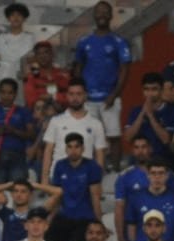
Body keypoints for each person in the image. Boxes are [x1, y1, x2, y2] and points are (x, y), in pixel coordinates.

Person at [72, 2, 131, 169]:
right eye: (99, 12)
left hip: (109, 98)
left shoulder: (118, 41)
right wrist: (80, 93)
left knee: (114, 136)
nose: (102, 15)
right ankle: (91, 169)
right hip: (88, 99)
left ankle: (115, 171)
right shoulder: (84, 41)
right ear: (94, 15)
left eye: (106, 12)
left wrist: (115, 93)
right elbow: (78, 67)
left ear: (111, 15)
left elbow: (125, 70)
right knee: (88, 136)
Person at [41, 80, 107, 184]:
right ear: (67, 96)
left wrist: (98, 181)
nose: (75, 98)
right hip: (58, 178)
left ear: (85, 96)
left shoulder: (96, 124)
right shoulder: (56, 121)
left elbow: (100, 154)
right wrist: (44, 179)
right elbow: (48, 151)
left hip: (85, 179)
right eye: (71, 94)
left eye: (79, 94)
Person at [0, 3, 35, 80]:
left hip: (24, 76)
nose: (16, 18)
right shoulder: (2, 38)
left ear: (24, 18)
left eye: (19, 15)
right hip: (3, 76)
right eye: (12, 15)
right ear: (8, 18)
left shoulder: (31, 38)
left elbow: (33, 60)